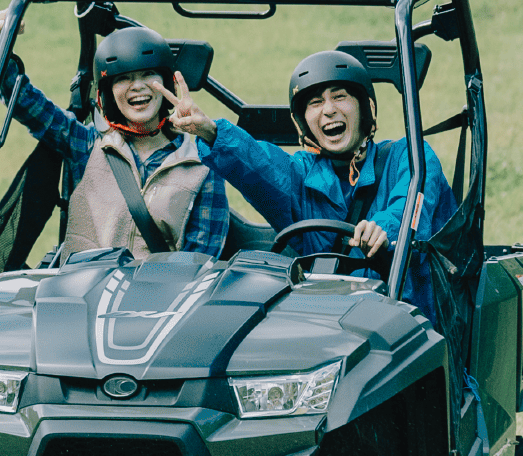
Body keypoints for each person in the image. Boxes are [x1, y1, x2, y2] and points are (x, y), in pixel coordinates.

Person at [164, 50, 455, 315]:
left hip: (412, 319)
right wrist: (211, 131)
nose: (328, 110)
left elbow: (411, 205)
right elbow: (259, 165)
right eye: (315, 103)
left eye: (339, 96)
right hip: (330, 321)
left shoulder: (410, 156)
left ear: (364, 108)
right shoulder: (301, 173)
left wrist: (383, 229)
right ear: (304, 122)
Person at [0, 13, 229, 259]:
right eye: (124, 78)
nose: (137, 86)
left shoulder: (202, 164)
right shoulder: (87, 145)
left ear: (167, 83)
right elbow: (28, 105)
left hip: (158, 299)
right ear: (107, 93)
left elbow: (200, 265)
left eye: (148, 75)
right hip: (82, 296)